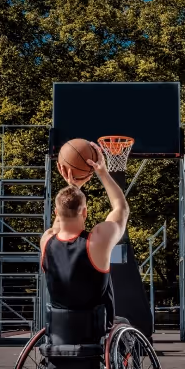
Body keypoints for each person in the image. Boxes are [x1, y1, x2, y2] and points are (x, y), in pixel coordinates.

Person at [40, 141, 130, 332]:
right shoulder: (97, 240)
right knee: (124, 324)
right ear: (85, 213)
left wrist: (73, 188)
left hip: (59, 329)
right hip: (96, 327)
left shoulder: (46, 240)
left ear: (56, 212)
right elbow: (121, 209)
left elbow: (57, 229)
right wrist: (102, 172)